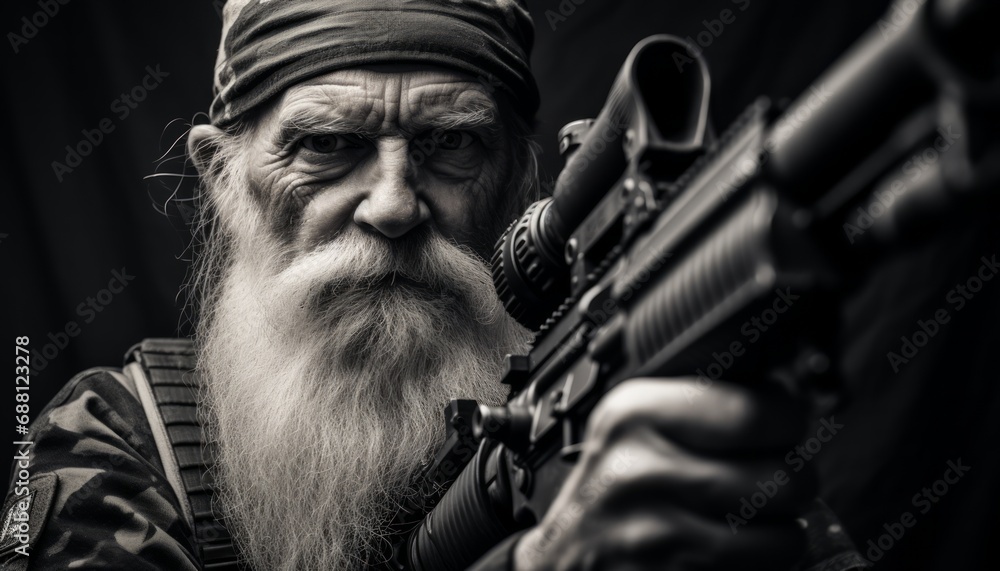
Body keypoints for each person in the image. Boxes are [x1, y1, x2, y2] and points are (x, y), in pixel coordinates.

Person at [0, 1, 869, 569]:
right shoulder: (110, 441)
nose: (392, 204)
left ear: (513, 183)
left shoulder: (625, 408)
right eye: (327, 144)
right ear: (224, 181)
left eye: (451, 144)